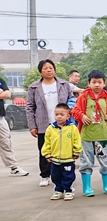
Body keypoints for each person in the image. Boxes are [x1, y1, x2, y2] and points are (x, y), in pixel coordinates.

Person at [26, 59, 72, 187]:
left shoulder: (63, 84)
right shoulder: (34, 87)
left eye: (51, 67)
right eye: (45, 68)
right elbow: (29, 107)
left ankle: (64, 175)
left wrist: (70, 114)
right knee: (44, 150)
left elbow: (71, 99)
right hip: (43, 124)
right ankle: (45, 175)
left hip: (63, 123)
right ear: (40, 71)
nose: (48, 70)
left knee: (63, 149)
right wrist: (32, 126)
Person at [71, 70, 107, 197]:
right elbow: (75, 111)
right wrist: (82, 116)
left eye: (99, 82)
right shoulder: (83, 97)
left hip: (103, 136)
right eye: (94, 82)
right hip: (86, 136)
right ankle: (87, 188)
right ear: (88, 83)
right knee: (86, 162)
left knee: (105, 160)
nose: (97, 85)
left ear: (104, 83)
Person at [41, 103, 82, 200]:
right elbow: (47, 142)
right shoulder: (50, 128)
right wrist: (47, 154)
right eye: (56, 114)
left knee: (68, 176)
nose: (59, 117)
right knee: (55, 176)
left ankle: (68, 190)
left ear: (68, 116)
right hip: (55, 158)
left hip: (68, 158)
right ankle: (58, 190)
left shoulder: (72, 128)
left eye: (62, 114)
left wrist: (76, 151)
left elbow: (77, 140)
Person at [0, 76, 29, 177]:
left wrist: (3, 92)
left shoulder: (0, 80)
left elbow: (8, 94)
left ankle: (14, 168)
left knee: (6, 142)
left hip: (1, 118)